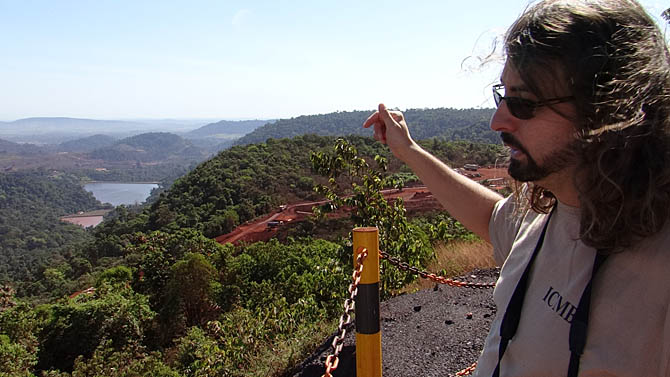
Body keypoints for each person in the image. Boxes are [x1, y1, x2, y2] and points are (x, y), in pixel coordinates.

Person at [363, 0, 670, 376]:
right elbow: (492, 217)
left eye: (523, 103)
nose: (497, 121)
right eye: (502, 96)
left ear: (609, 109)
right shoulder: (544, 215)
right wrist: (408, 151)